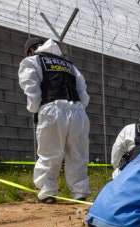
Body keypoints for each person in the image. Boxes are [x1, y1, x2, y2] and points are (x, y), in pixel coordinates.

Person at [19, 37, 90, 203]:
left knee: (50, 153)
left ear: (31, 50)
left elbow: (31, 87)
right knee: (77, 154)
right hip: (78, 112)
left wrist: (35, 109)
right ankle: (80, 192)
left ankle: (48, 191)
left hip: (52, 109)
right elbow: (83, 93)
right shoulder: (71, 66)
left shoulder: (32, 61)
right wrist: (77, 110)